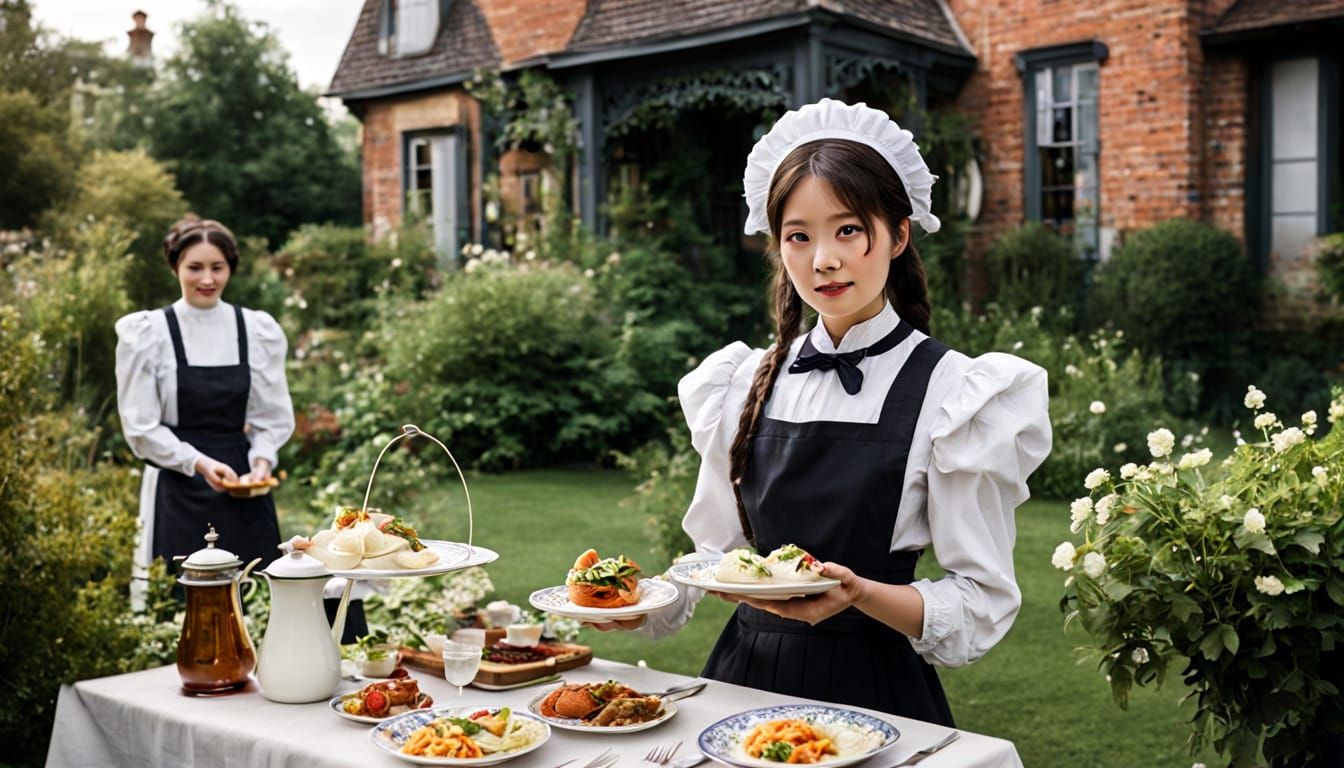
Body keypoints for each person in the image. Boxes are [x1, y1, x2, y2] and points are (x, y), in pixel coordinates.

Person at [597, 99, 1052, 726]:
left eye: (848, 230)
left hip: (878, 695)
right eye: (799, 236)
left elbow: (979, 602)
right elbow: (713, 554)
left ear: (898, 234)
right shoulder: (741, 383)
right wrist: (629, 603)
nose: (823, 260)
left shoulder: (957, 394)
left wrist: (860, 594)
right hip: (742, 687)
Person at [115, 216, 294, 605]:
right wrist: (197, 462)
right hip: (178, 481)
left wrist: (261, 462)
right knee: (183, 606)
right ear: (176, 267)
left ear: (231, 267)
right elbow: (140, 425)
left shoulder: (255, 329)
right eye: (195, 267)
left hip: (244, 483)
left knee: (255, 601)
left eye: (218, 267)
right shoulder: (150, 334)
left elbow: (271, 416)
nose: (207, 279)